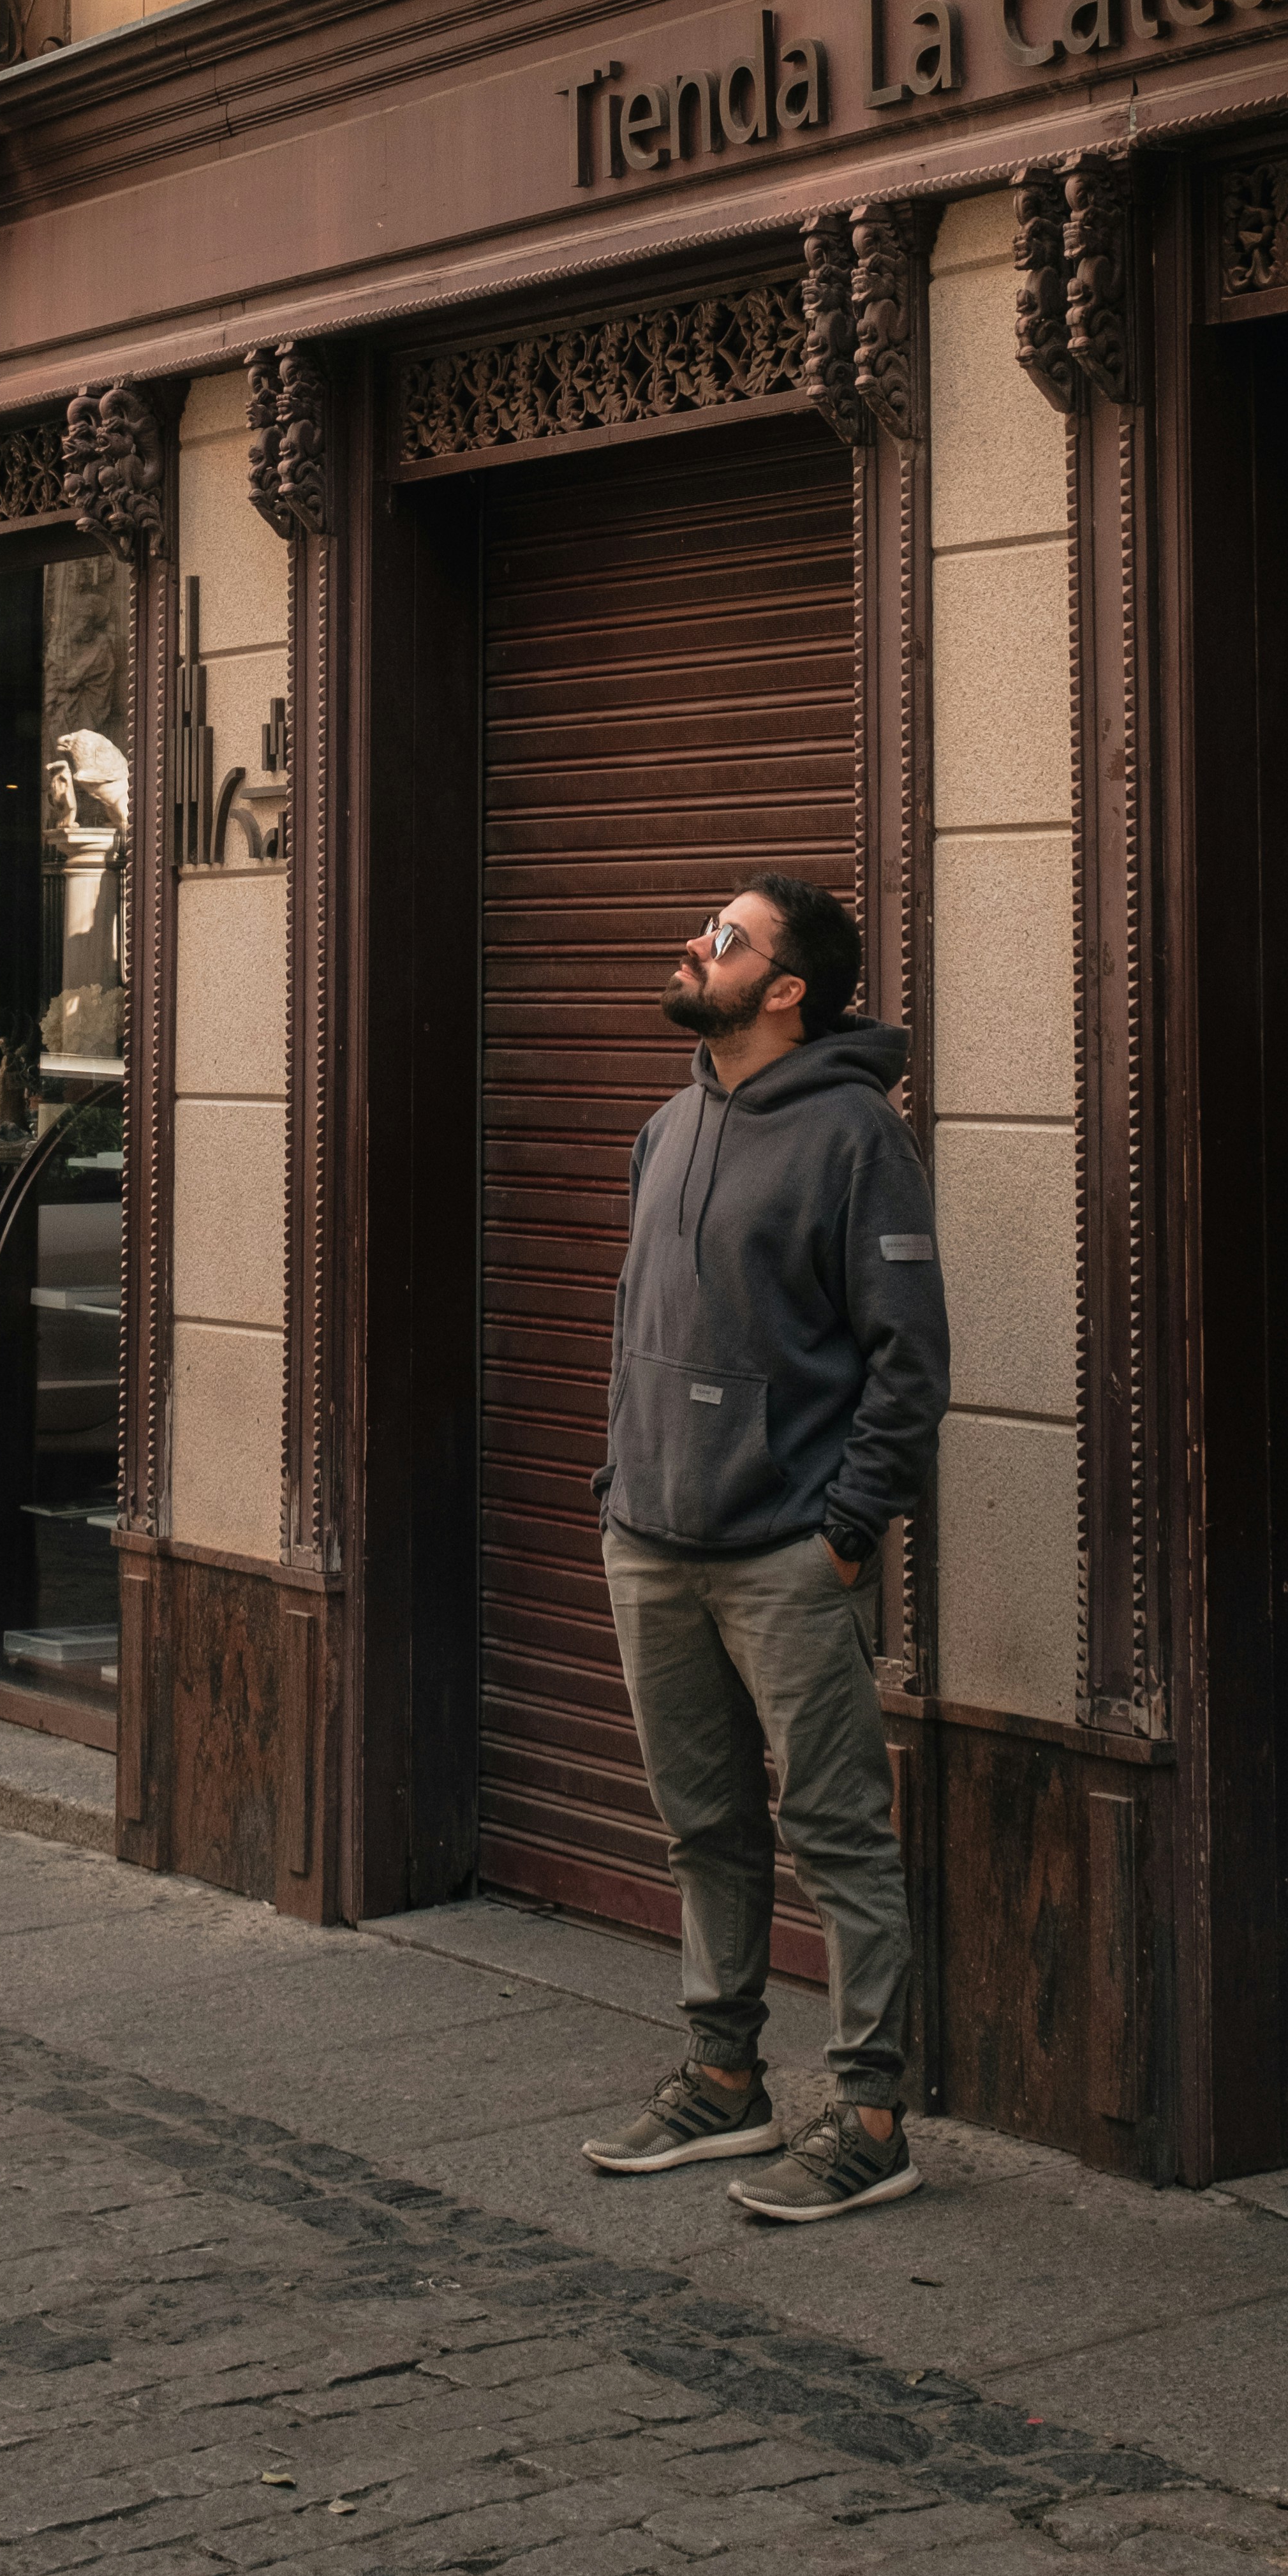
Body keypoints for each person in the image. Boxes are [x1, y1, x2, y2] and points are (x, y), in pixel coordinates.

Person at [580, 875, 949, 2224]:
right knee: (703, 1823)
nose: (693, 941)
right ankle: (722, 2077)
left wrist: (846, 1529)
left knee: (836, 1832)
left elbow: (910, 1358)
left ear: (786, 986)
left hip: (785, 1548)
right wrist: (620, 1485)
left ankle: (866, 2114)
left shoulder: (856, 1138)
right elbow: (636, 1321)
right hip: (652, 1537)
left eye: (724, 936)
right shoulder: (667, 1125)